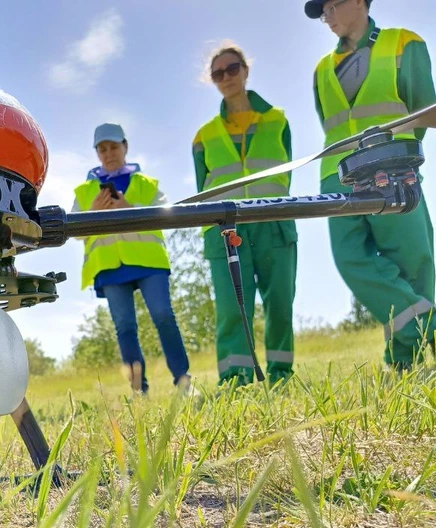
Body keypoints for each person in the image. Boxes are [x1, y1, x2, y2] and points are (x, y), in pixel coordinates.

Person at [305, 0, 436, 369]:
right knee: (350, 259)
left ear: (359, 1)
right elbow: (327, 121)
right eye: (322, 12)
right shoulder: (320, 70)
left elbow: (424, 108)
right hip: (338, 175)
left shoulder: (404, 43)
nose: (326, 16)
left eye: (331, 6)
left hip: (392, 168)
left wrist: (401, 158)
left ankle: (403, 363)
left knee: (410, 263)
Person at [193, 44, 298, 386]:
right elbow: (202, 192)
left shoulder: (278, 120)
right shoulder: (203, 136)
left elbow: (288, 173)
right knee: (232, 309)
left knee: (280, 302)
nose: (226, 78)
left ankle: (281, 374)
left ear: (246, 70)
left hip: (273, 223)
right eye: (217, 73)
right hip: (225, 230)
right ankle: (236, 379)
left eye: (232, 69)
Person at [72, 123, 191, 394]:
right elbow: (75, 232)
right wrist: (90, 212)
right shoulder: (84, 192)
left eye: (114, 147)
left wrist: (131, 209)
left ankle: (184, 381)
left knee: (163, 316)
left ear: (125, 147)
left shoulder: (146, 184)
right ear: (97, 153)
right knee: (125, 327)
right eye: (102, 149)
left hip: (149, 263)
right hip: (110, 268)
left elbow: (166, 214)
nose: (109, 153)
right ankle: (140, 392)